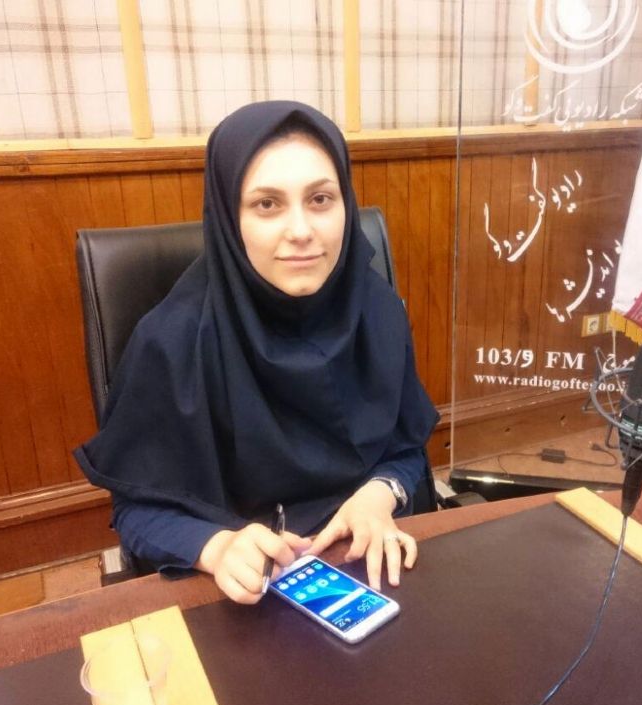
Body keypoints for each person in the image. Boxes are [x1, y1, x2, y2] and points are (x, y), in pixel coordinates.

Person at [74, 101, 438, 604]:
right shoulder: (171, 341)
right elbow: (137, 508)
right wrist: (214, 547)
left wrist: (379, 495)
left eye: (320, 199)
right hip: (247, 590)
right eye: (267, 204)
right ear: (230, 216)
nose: (301, 231)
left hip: (370, 562)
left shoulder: (376, 309)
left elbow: (406, 446)